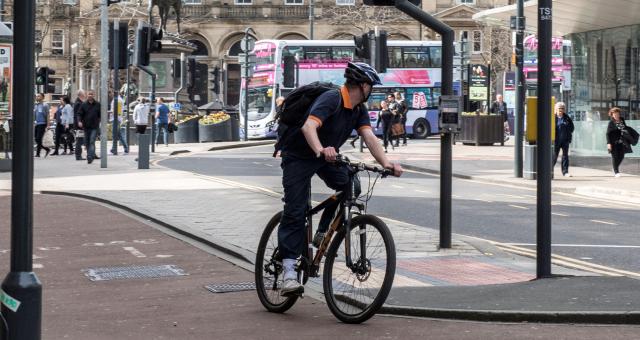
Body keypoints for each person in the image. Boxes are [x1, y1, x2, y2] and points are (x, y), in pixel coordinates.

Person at [277, 62, 403, 296]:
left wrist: (385, 163)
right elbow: (309, 127)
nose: (372, 90)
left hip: (326, 156)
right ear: (362, 85)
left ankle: (322, 231)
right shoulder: (332, 99)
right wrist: (320, 149)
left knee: (350, 184)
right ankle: (289, 273)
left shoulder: (358, 109)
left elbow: (368, 135)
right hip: (299, 156)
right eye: (371, 86)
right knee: (295, 211)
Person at [552, 102, 574, 177]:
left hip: (565, 141)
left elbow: (572, 128)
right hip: (556, 141)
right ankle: (550, 170)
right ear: (556, 110)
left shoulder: (567, 118)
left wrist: (568, 134)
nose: (561, 110)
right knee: (554, 156)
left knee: (565, 156)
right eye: (559, 109)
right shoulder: (553, 118)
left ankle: (565, 172)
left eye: (562, 109)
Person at [606, 107, 631, 177]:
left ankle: (614, 168)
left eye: (617, 114)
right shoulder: (611, 123)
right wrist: (608, 143)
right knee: (615, 156)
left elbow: (625, 128)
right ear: (612, 115)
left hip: (622, 141)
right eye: (615, 114)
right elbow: (607, 134)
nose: (616, 115)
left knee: (621, 156)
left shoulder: (622, 120)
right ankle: (616, 171)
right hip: (614, 142)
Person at [78, 90, 101, 164]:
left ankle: (90, 156)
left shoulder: (98, 104)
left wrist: (100, 122)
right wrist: (79, 121)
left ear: (94, 95)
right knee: (87, 142)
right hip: (86, 127)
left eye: (91, 94)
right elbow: (79, 114)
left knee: (92, 141)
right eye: (89, 94)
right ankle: (89, 154)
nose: (90, 95)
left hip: (94, 127)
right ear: (87, 95)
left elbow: (100, 115)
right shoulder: (84, 104)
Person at [33, 93, 50, 158]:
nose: (37, 97)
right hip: (37, 124)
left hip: (42, 124)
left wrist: (48, 125)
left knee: (38, 138)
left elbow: (48, 115)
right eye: (36, 96)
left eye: (38, 96)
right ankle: (46, 149)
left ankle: (38, 153)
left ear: (42, 97)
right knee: (36, 139)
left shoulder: (45, 105)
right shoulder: (36, 105)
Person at [73, 90, 87, 160]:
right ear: (81, 95)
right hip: (80, 125)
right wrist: (80, 122)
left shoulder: (79, 102)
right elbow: (78, 115)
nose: (85, 94)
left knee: (80, 140)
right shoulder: (78, 103)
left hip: (80, 124)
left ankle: (79, 155)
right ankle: (78, 156)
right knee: (79, 140)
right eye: (84, 93)